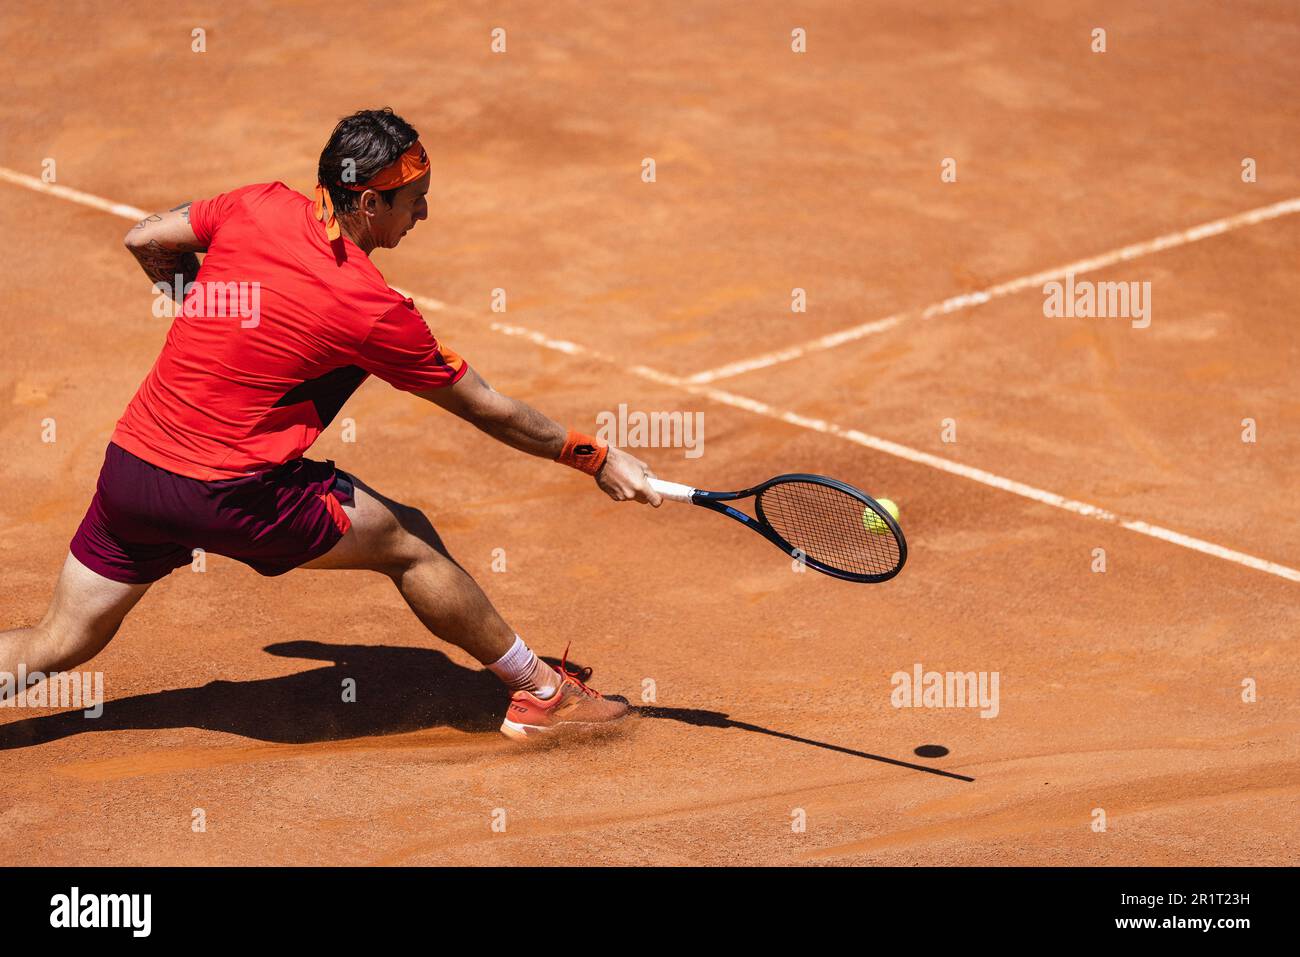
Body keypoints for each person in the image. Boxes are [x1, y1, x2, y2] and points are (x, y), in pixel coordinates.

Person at [0, 107, 662, 740]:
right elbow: (486, 407)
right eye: (415, 199)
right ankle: (541, 694)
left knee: (59, 638)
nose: (424, 212)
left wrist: (195, 306)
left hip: (132, 475)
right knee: (410, 541)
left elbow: (143, 236)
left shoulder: (256, 204)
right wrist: (595, 457)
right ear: (370, 203)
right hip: (232, 493)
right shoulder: (374, 308)